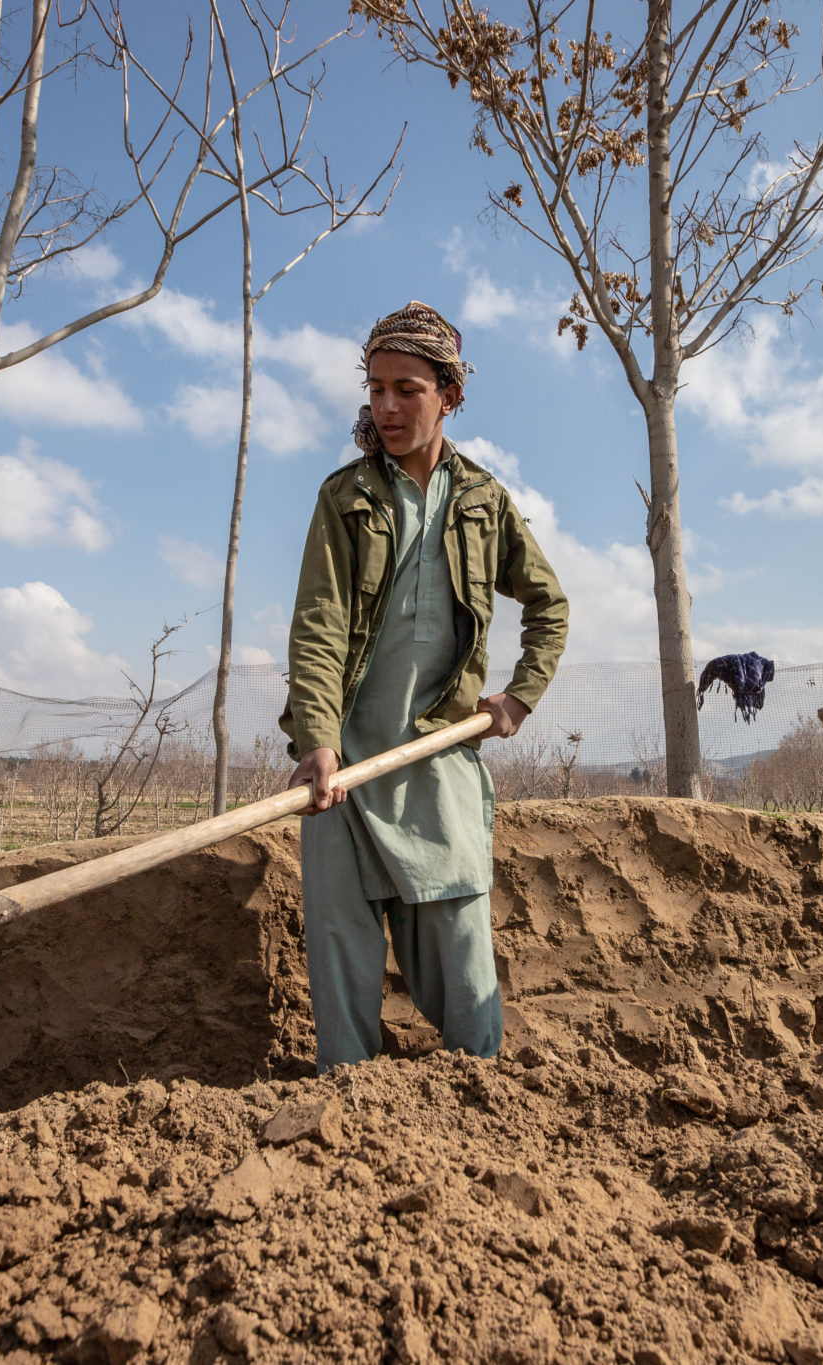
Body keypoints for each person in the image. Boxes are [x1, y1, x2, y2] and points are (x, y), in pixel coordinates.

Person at [280, 301, 568, 1071]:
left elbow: (550, 605)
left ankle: (481, 1098)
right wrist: (316, 739)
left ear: (449, 394)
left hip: (437, 752)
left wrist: (518, 696)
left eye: (406, 388)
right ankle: (347, 1111)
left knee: (464, 966)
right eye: (375, 389)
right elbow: (318, 625)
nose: (386, 407)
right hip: (344, 767)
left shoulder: (483, 501)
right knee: (341, 948)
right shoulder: (344, 500)